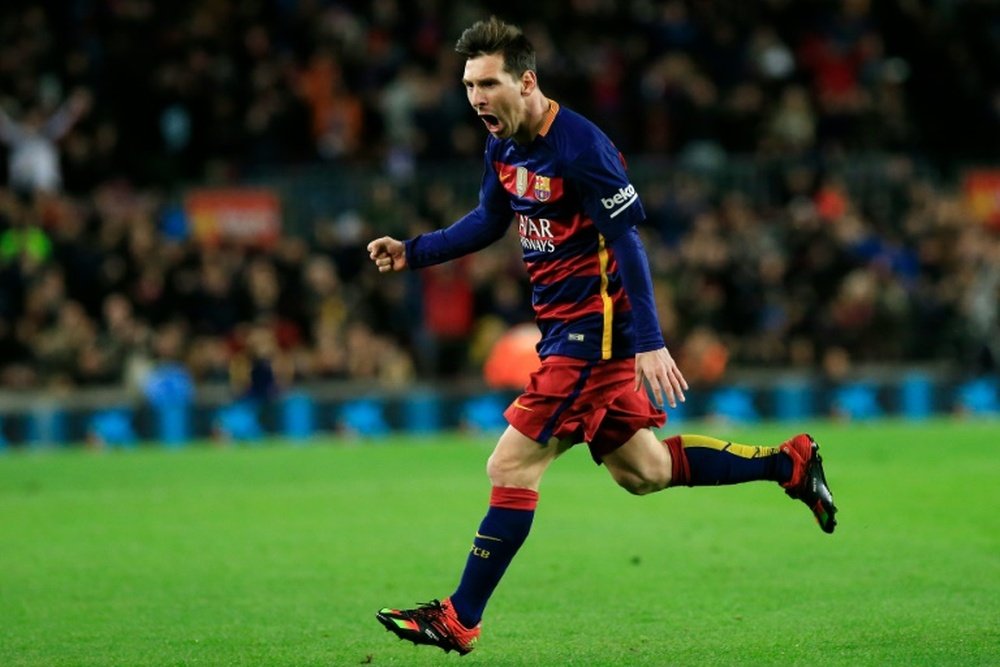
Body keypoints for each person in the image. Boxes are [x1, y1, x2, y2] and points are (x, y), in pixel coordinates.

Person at [368, 17, 836, 656]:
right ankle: (791, 463)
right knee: (641, 471)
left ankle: (458, 617)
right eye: (468, 84)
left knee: (509, 464)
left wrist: (649, 339)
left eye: (488, 83)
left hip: (597, 335)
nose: (476, 98)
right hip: (564, 330)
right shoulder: (502, 146)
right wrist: (414, 251)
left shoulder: (582, 147)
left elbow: (628, 242)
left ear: (525, 81)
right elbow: (488, 219)